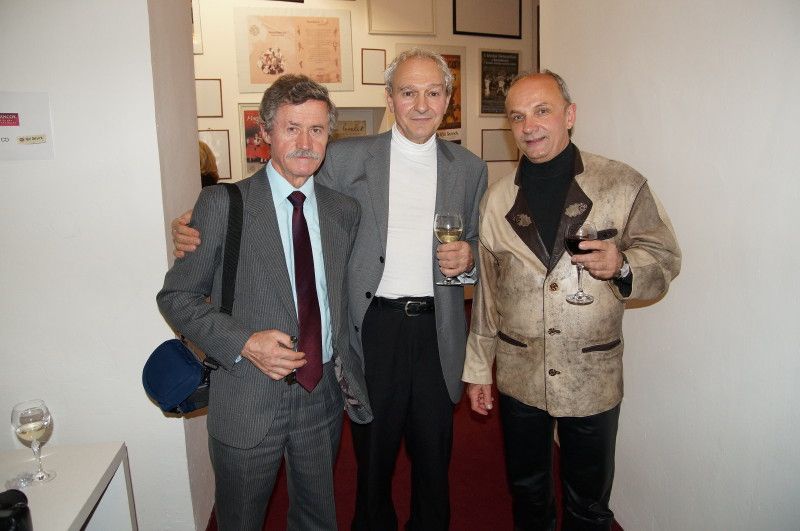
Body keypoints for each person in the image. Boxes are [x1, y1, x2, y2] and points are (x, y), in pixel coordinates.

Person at [172, 48, 488, 531]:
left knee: (432, 462)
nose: (421, 104)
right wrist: (198, 222)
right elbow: (278, 183)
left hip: (434, 330)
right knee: (371, 466)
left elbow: (481, 246)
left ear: (448, 98)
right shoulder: (343, 157)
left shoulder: (469, 168)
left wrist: (468, 261)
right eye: (408, 92)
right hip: (369, 329)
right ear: (390, 99)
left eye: (433, 92)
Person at [462, 71, 681, 531]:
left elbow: (665, 258)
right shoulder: (497, 200)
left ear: (570, 115)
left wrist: (622, 265)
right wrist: (479, 368)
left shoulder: (621, 183)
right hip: (520, 372)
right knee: (527, 492)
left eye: (542, 111)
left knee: (589, 502)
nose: (529, 126)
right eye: (517, 116)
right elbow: (488, 295)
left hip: (592, 373)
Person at [158, 74, 372, 531]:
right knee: (240, 521)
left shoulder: (343, 212)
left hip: (320, 395)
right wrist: (245, 342)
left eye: (316, 129)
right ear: (266, 133)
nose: (305, 142)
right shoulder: (223, 204)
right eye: (292, 128)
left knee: (317, 520)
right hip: (246, 395)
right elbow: (177, 297)